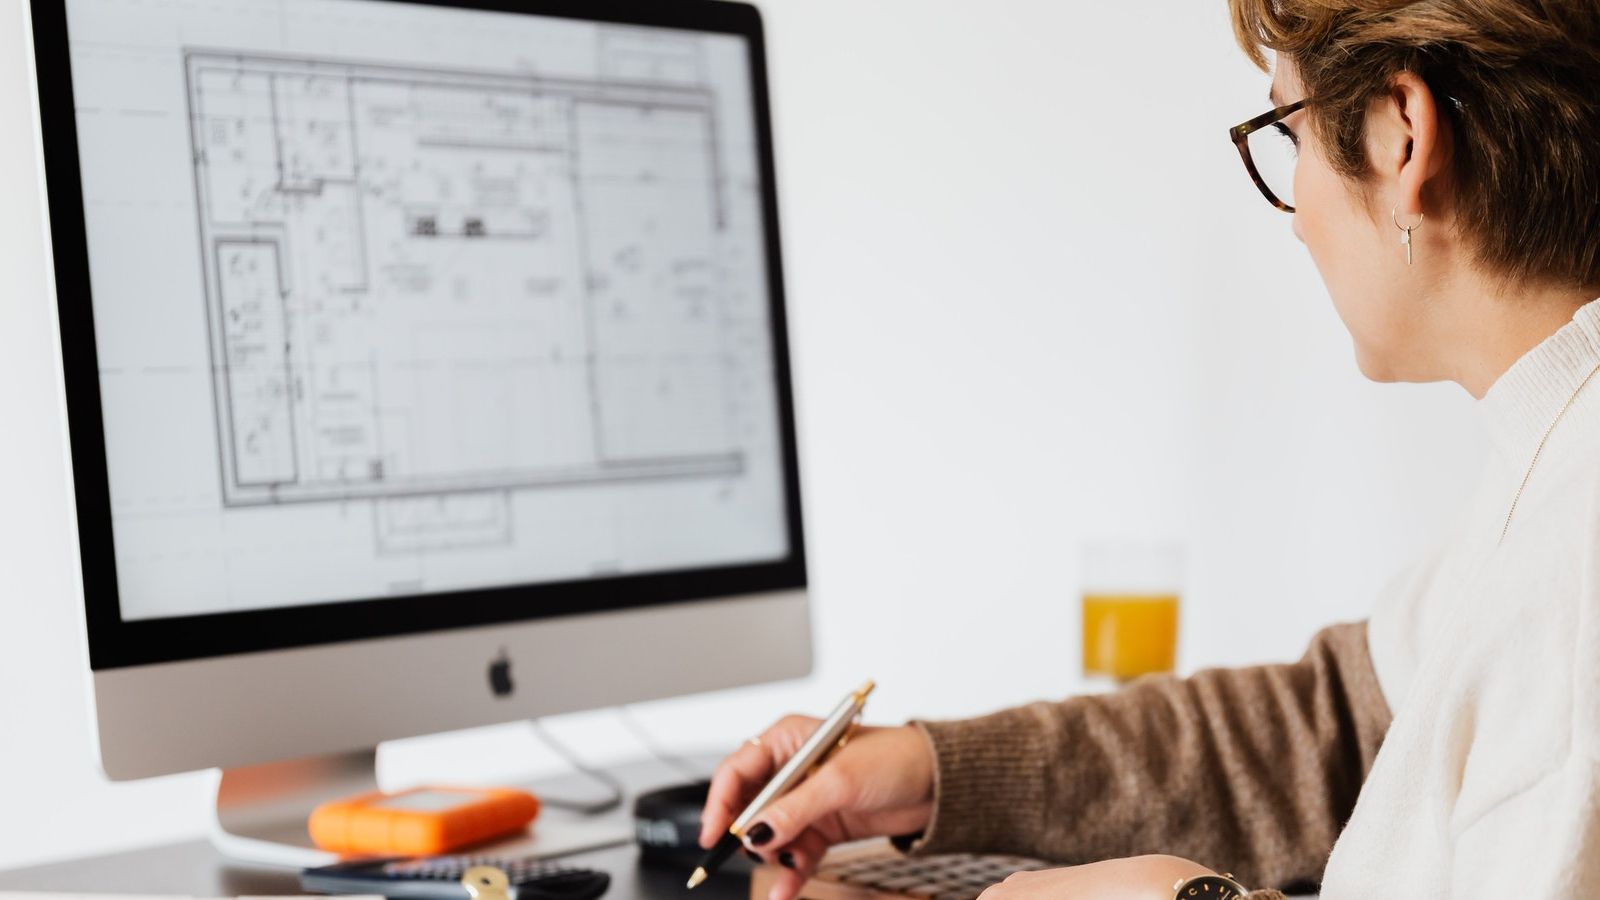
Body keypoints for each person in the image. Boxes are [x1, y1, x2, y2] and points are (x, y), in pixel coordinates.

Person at [698, 0, 1600, 897]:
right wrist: (936, 770)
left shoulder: (1571, 573)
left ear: (1401, 134)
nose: (1296, 218)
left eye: (1288, 136)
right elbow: (1338, 728)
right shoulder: (1550, 457)